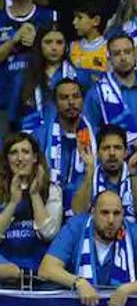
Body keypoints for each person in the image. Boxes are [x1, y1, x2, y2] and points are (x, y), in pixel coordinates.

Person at [39, 190, 137, 306]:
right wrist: (77, 282)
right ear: (93, 212)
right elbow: (46, 269)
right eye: (105, 213)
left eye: (117, 213)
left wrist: (128, 288)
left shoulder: (135, 233)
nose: (111, 220)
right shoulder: (75, 227)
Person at [0, 0, 57, 126]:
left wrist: (38, 43)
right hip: (3, 103)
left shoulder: (51, 17)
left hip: (43, 104)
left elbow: (61, 56)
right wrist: (13, 41)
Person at [83, 35, 137, 155]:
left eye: (127, 52)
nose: (123, 57)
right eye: (117, 54)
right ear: (109, 59)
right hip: (116, 164)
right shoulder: (97, 93)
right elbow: (91, 133)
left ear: (135, 55)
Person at [0, 131, 60, 277]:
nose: (20, 158)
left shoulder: (52, 190)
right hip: (5, 277)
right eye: (13, 153)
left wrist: (34, 195)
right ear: (7, 159)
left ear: (35, 158)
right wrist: (13, 202)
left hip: (40, 279)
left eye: (26, 152)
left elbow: (49, 234)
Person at [72, 124, 137, 220]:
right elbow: (78, 211)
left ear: (126, 152)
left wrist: (132, 171)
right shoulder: (85, 179)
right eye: (106, 148)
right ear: (98, 153)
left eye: (117, 147)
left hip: (130, 233)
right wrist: (90, 172)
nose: (112, 153)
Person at [38, 78, 95, 211]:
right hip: (48, 209)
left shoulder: (96, 135)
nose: (71, 102)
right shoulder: (40, 137)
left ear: (82, 100)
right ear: (55, 103)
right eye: (64, 98)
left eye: (76, 96)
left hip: (88, 210)